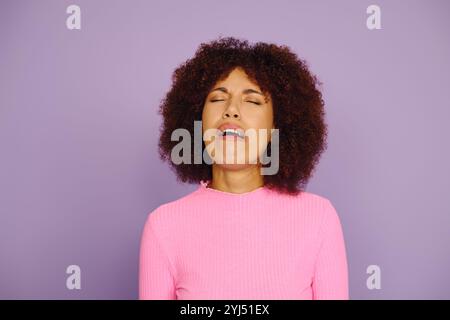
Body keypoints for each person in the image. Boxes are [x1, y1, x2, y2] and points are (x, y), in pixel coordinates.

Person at [139, 37, 348, 300]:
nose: (231, 111)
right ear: (197, 120)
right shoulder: (163, 226)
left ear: (276, 127)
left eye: (252, 101)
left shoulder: (319, 218)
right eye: (217, 99)